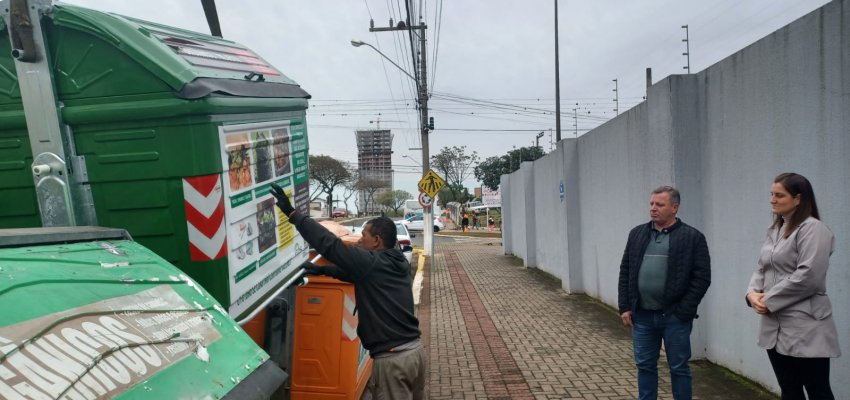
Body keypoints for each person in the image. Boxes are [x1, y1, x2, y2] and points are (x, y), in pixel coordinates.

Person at [270, 183, 425, 399]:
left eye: (364, 235)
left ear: (376, 241)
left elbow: (330, 245)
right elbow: (356, 275)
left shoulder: (371, 262)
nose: (360, 239)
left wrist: (293, 214)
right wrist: (321, 270)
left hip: (393, 360)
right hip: (415, 353)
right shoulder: (395, 261)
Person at [745, 173, 839, 400]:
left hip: (805, 327)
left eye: (779, 195)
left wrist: (767, 300)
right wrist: (751, 294)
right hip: (774, 328)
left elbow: (809, 277)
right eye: (771, 194)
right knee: (789, 390)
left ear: (798, 199)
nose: (772, 200)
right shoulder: (774, 230)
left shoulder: (813, 229)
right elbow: (762, 268)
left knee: (818, 391)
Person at [617, 185, 711, 400]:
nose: (653, 208)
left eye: (660, 204)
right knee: (644, 366)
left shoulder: (692, 237)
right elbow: (626, 270)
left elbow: (702, 278)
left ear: (674, 208)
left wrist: (684, 311)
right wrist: (625, 306)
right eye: (651, 203)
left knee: (678, 367)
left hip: (674, 317)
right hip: (642, 316)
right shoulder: (637, 234)